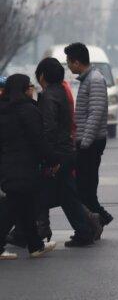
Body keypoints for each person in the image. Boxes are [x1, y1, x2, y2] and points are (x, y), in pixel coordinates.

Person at [34, 57, 96, 248]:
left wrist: (48, 157)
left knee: (43, 194)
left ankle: (31, 232)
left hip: (57, 154)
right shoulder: (61, 91)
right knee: (67, 196)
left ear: (42, 75)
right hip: (67, 151)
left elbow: (48, 129)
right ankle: (86, 230)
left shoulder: (48, 96)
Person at [0, 74, 58, 258]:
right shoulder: (27, 110)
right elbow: (38, 140)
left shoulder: (4, 109)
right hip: (24, 165)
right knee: (12, 207)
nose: (33, 89)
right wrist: (52, 160)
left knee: (25, 205)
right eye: (30, 86)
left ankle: (35, 246)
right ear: (25, 89)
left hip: (8, 165)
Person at [65, 42, 114, 230]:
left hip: (91, 143)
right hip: (88, 141)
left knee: (85, 187)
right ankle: (98, 219)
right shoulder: (88, 79)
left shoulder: (94, 79)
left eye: (69, 62)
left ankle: (98, 220)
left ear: (77, 62)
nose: (69, 66)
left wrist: (84, 142)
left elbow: (96, 112)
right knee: (85, 187)